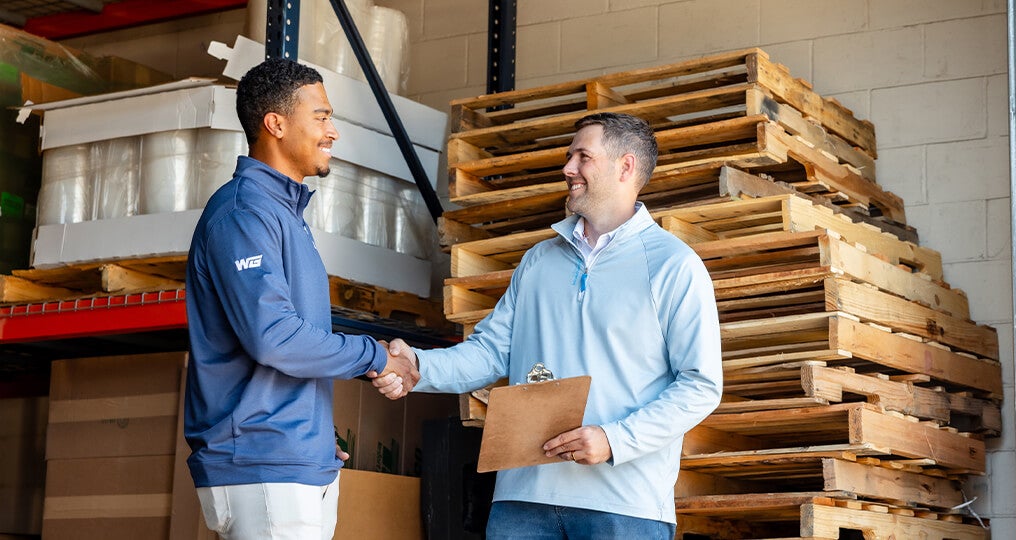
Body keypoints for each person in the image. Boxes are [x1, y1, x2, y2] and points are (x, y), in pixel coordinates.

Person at [375, 112, 722, 539]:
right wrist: (418, 366)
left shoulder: (674, 266)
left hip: (623, 504)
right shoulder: (540, 260)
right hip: (523, 498)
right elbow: (489, 352)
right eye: (568, 156)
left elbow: (700, 384)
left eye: (582, 157)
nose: (567, 169)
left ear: (626, 166)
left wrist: (616, 440)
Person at [183, 58, 415, 539]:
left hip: (288, 460)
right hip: (261, 464)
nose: (332, 132)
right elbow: (275, 339)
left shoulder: (282, 214)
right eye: (322, 116)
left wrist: (309, 437)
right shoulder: (244, 213)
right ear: (276, 123)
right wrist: (376, 356)